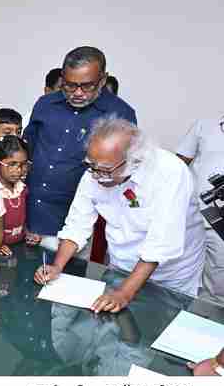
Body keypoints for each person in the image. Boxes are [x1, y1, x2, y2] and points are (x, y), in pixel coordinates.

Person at [35, 117, 205, 312]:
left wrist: (124, 293)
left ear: (134, 160)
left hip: (170, 274)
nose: (97, 176)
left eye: (105, 171)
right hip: (122, 264)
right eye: (91, 166)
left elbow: (161, 243)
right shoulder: (96, 170)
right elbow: (77, 224)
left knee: (162, 322)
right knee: (116, 320)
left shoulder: (170, 172)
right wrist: (57, 266)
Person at [24, 46, 137, 253]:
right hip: (28, 214)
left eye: (86, 86)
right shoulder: (45, 104)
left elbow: (123, 171)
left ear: (102, 80)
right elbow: (28, 149)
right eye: (69, 85)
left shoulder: (120, 115)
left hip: (76, 223)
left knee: (66, 271)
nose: (77, 93)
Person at [176, 114, 224, 306]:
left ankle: (211, 315)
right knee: (177, 268)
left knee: (219, 277)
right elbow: (177, 165)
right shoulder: (205, 125)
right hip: (191, 213)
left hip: (221, 222)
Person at [0, 136, 30, 254]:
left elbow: (22, 218)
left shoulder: (23, 188)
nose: (18, 170)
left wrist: (28, 234)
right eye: (12, 164)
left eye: (23, 164)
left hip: (20, 246)